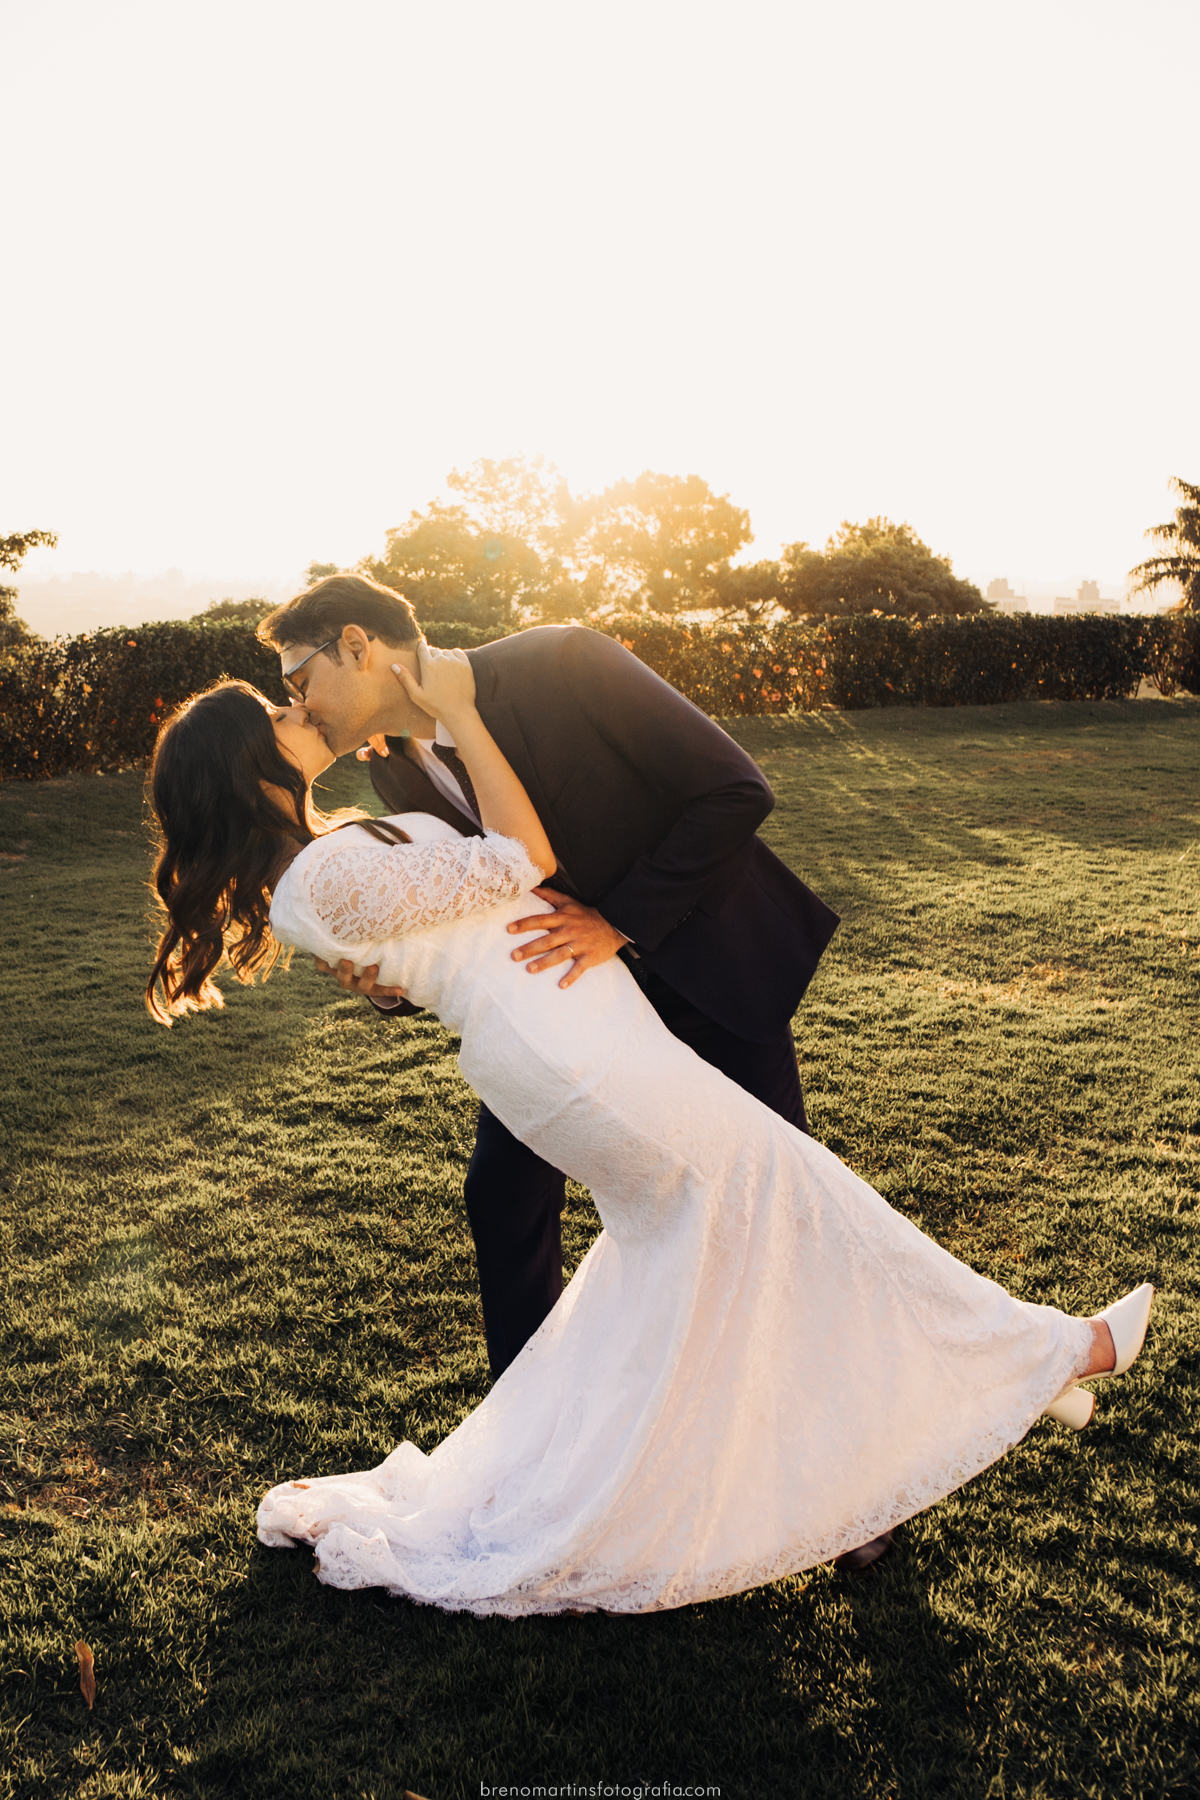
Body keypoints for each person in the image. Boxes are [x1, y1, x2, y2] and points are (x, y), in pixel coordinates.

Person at [145, 654, 1153, 1619]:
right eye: (274, 712)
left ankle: (992, 1394)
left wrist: (390, 958)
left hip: (578, 1029)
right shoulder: (320, 878)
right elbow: (520, 862)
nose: (297, 710)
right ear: (249, 767)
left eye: (293, 692)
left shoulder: (334, 844)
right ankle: (1063, 1351)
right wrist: (465, 718)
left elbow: (446, 921)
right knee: (789, 1192)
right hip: (569, 1051)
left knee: (705, 1251)